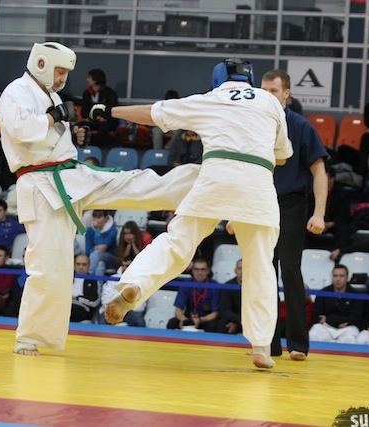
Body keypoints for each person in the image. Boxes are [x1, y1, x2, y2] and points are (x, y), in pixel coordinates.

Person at [0, 41, 199, 356]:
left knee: (129, 183)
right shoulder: (15, 92)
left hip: (69, 175)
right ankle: (30, 337)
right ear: (41, 64)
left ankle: (199, 180)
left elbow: (51, 134)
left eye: (66, 73)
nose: (62, 78)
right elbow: (21, 130)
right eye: (59, 71)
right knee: (49, 265)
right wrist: (54, 118)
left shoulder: (51, 96)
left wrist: (72, 135)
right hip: (40, 184)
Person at [99, 58, 292, 369]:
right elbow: (282, 157)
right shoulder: (270, 101)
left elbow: (154, 113)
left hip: (216, 176)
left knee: (177, 242)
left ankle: (134, 284)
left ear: (218, 79)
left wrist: (110, 111)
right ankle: (261, 347)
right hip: (258, 185)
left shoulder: (210, 99)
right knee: (260, 267)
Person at [261, 69, 328, 362]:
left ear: (286, 93)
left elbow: (319, 171)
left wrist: (319, 213)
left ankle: (298, 343)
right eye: (264, 90)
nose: (267, 96)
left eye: (273, 91)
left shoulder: (300, 126)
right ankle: (267, 344)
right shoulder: (254, 124)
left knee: (289, 270)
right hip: (260, 203)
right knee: (263, 274)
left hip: (291, 204)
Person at [308, 265, 363, 344]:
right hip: (326, 327)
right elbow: (317, 315)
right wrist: (342, 321)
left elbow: (355, 318)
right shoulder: (324, 292)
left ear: (347, 278)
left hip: (346, 328)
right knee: (314, 331)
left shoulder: (355, 294)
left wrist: (328, 319)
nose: (338, 279)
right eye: (335, 276)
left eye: (341, 276)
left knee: (352, 336)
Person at [166, 258, 221, 332]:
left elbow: (215, 313)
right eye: (197, 269)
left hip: (205, 319)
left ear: (208, 271)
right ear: (193, 271)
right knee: (172, 323)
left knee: (213, 326)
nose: (200, 272)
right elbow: (178, 310)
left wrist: (200, 320)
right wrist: (183, 320)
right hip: (188, 317)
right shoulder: (186, 284)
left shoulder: (215, 286)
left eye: (203, 269)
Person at [98, 255, 146, 326]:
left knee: (140, 322)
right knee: (102, 321)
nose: (124, 268)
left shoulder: (140, 280)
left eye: (127, 266)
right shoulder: (113, 278)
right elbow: (105, 298)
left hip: (130, 311)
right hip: (112, 310)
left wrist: (125, 309)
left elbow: (141, 303)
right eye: (123, 265)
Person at [80, 68, 119, 146]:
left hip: (108, 121)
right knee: (79, 126)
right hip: (92, 120)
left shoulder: (109, 93)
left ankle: (97, 147)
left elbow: (114, 108)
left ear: (95, 80)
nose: (87, 80)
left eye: (89, 77)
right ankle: (81, 147)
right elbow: (84, 111)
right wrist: (91, 117)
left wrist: (105, 117)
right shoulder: (86, 93)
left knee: (103, 128)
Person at [85, 209, 117, 277]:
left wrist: (97, 230)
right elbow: (87, 251)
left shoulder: (113, 230)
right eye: (95, 217)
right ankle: (98, 284)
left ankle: (88, 276)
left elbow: (103, 247)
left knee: (96, 253)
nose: (97, 219)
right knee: (100, 265)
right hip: (94, 259)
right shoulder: (89, 230)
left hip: (110, 259)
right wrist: (96, 248)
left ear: (106, 218)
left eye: (99, 217)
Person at [70, 254, 101, 322]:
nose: (81, 267)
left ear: (89, 266)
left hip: (83, 309)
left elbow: (95, 302)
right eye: (78, 264)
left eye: (84, 265)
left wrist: (77, 298)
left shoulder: (94, 281)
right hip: (65, 306)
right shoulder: (67, 278)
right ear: (74, 265)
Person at [216, 259, 243, 334]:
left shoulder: (257, 286)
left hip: (251, 320)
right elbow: (225, 310)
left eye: (245, 269)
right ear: (235, 271)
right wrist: (238, 321)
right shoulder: (228, 286)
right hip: (234, 318)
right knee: (222, 325)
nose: (242, 272)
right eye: (240, 268)